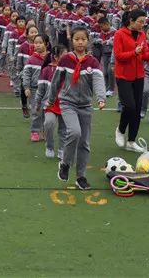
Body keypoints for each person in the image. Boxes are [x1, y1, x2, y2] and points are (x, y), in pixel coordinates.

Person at [49, 27, 106, 189]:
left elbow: (98, 81)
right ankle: (65, 163)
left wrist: (101, 98)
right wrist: (50, 99)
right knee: (74, 132)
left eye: (83, 39)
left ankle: (81, 177)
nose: (80, 42)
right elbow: (56, 81)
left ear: (88, 41)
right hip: (68, 103)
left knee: (84, 143)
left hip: (86, 106)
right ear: (72, 41)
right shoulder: (66, 60)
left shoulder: (92, 62)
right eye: (76, 39)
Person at [113, 9, 149, 152]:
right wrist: (134, 52)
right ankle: (121, 130)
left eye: (144, 21)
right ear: (131, 21)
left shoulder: (142, 35)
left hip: (139, 76)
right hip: (123, 76)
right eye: (140, 22)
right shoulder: (119, 34)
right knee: (129, 106)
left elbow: (143, 56)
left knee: (137, 110)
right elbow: (119, 56)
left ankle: (131, 141)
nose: (143, 25)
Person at [23, 33, 50, 142]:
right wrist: (26, 87)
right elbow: (27, 74)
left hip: (48, 89)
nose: (37, 45)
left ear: (46, 44)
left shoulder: (51, 58)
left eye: (40, 43)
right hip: (34, 89)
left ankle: (44, 131)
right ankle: (35, 131)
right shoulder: (31, 59)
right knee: (36, 110)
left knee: (46, 110)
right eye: (36, 43)